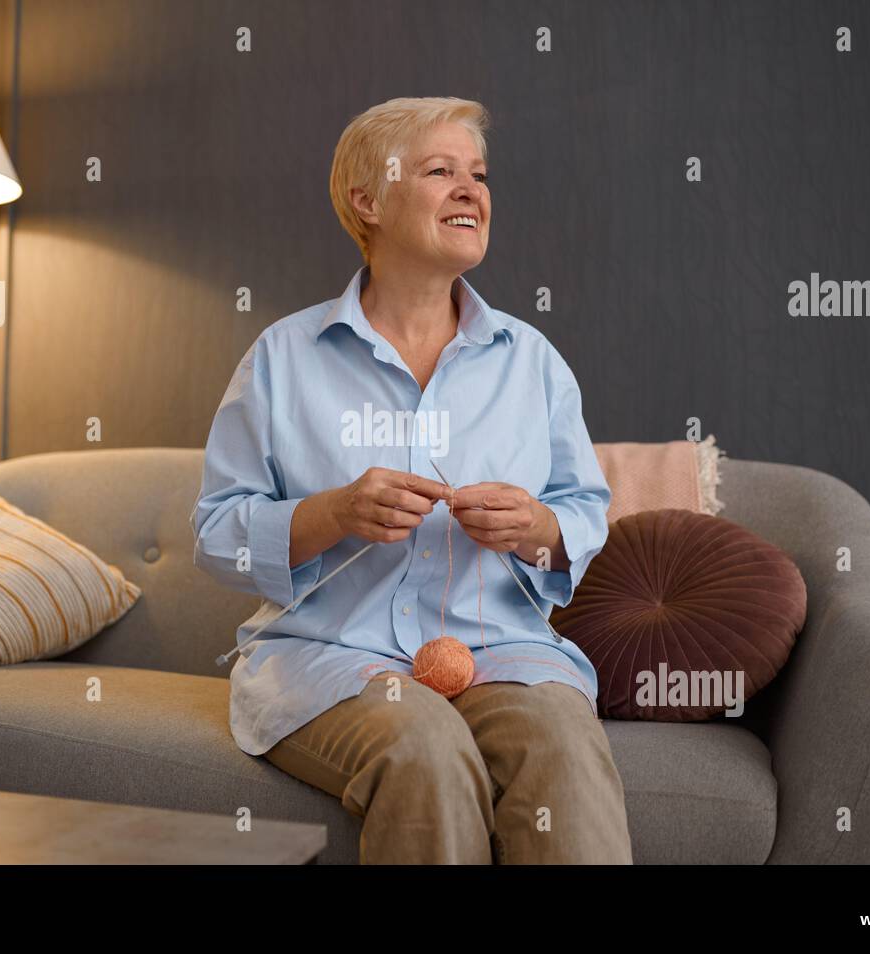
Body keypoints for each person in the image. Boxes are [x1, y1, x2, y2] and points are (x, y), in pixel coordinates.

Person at [190, 96, 631, 864]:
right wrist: (332, 513)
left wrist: (538, 527)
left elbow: (583, 512)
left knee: (560, 744)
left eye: (479, 174)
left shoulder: (532, 361)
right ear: (368, 199)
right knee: (425, 748)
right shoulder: (283, 357)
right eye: (440, 171)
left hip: (502, 653)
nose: (472, 190)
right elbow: (215, 535)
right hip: (331, 657)